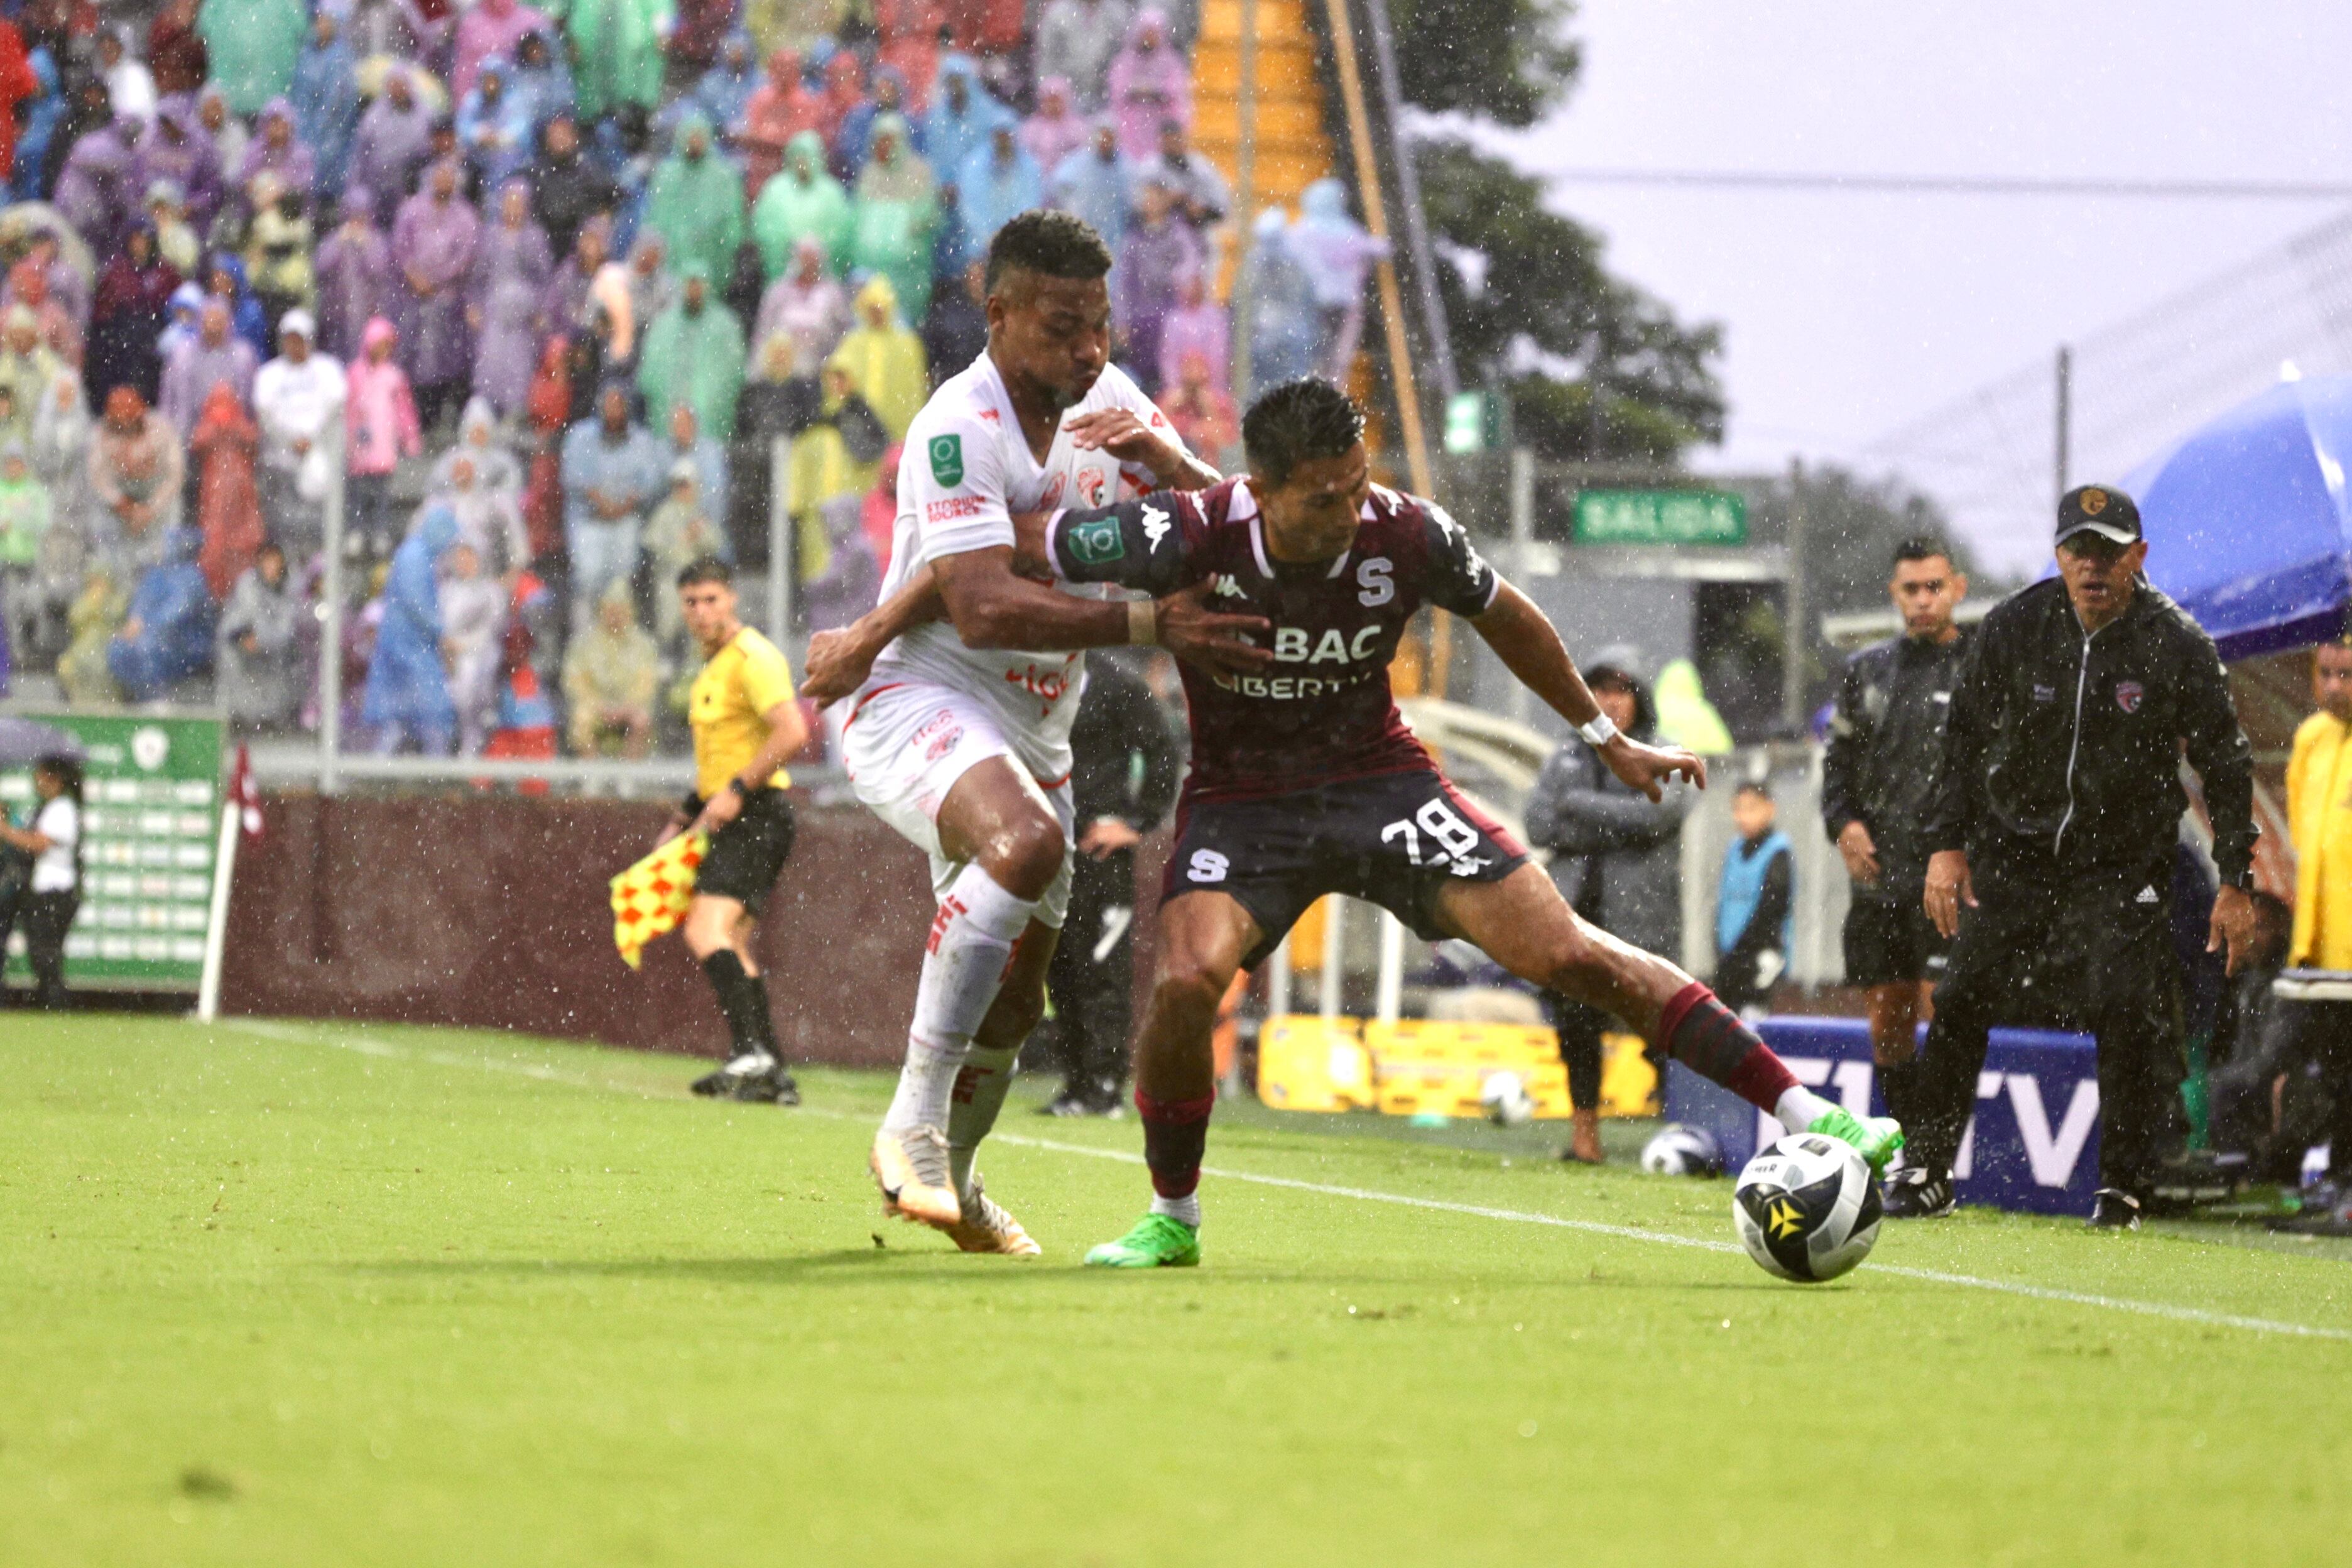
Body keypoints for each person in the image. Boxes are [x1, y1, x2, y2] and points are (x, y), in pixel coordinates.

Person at [819, 373, 1904, 1266]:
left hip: (1383, 788)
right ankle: (1173, 1218)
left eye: (1355, 485)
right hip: (1243, 808)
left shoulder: (1405, 531)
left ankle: (1809, 1114)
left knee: (1567, 952)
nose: (1349, 512)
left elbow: (1508, 617)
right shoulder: (1181, 531)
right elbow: (996, 550)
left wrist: (1599, 735)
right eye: (1322, 498)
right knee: (1186, 982)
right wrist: (873, 627)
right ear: (1262, 488)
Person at [797, 210, 1243, 1255]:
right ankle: (907, 1124)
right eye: (1059, 327)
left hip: (1040, 729)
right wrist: (1142, 620)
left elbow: (1225, 533)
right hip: (919, 702)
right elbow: (982, 603)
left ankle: (953, 1184)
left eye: (1097, 328)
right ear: (997, 316)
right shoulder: (958, 425)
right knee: (1028, 845)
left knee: (1018, 992)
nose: (1086, 351)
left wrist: (1169, 460)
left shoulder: (1112, 406)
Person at [1907, 484, 2259, 1229]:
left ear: (2139, 556)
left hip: (2120, 863)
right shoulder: (2015, 627)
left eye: (2108, 551)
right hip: (2016, 850)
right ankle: (1928, 1169)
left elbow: (2227, 763)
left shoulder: (2178, 644)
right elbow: (1962, 740)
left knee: (2126, 1008)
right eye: (2079, 550)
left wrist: (2236, 879)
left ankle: (2123, 1190)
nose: (2092, 566)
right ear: (2059, 554)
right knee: (1963, 995)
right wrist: (1945, 845)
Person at [1820, 538, 1975, 1129]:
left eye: (1934, 587)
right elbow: (1836, 766)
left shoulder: (1981, 665)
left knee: (1946, 1010)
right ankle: (1909, 1142)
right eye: (1911, 589)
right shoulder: (1866, 671)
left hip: (1950, 874)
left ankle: (1940, 1151)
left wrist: (1964, 848)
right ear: (1895, 594)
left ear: (1956, 589)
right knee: (1887, 1018)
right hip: (1881, 877)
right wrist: (1844, 824)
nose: (1923, 601)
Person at [1525, 651, 1692, 1163]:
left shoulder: (1664, 753)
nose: (1609, 701)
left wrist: (1577, 806)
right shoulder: (1567, 756)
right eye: (1599, 690)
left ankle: (1686, 1136)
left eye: (1620, 690)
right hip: (1575, 920)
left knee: (1661, 1031)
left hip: (1641, 925)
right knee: (1576, 1030)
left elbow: (1655, 819)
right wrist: (1616, 821)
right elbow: (1536, 825)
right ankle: (1585, 1141)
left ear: (1639, 697)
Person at [662, 556, 809, 1104]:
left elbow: (792, 732)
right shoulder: (714, 664)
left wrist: (739, 791)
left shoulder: (753, 657)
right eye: (691, 602)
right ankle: (769, 1067)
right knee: (734, 940)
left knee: (705, 930)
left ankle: (752, 1053)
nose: (701, 612)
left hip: (758, 813)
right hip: (739, 812)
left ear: (733, 599)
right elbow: (723, 758)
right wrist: (683, 816)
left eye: (711, 600)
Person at [1037, 648, 1180, 1115]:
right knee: (1057, 967)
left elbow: (1162, 748)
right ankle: (1076, 1083)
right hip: (1046, 846)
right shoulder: (1029, 678)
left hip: (1099, 854)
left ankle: (1104, 1085)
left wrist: (1137, 822)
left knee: (1101, 965)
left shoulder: (1116, 685)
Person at [2260, 633, 2352, 1229]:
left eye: (2347, 674)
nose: (2335, 687)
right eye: (2326, 673)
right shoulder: (2311, 739)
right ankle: (2337, 1183)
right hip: (2318, 949)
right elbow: (2304, 840)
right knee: (2333, 1070)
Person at [362, 503, 460, 754]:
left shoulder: (418, 555)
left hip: (406, 647)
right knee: (431, 713)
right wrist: (441, 632)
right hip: (408, 649)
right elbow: (417, 604)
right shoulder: (415, 557)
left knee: (399, 720)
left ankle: (381, 769)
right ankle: (437, 773)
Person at [392, 160, 482, 432]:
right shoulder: (411, 209)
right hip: (411, 295)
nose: (444, 182)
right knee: (409, 355)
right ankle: (411, 419)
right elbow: (400, 245)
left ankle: (437, 417)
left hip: (448, 299)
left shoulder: (466, 216)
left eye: (449, 177)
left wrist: (435, 280)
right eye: (439, 176)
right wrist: (414, 276)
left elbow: (465, 257)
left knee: (444, 360)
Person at [562, 378, 663, 610]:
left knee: (622, 583)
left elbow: (652, 482)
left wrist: (623, 506)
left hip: (626, 519)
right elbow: (574, 476)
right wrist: (602, 503)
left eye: (619, 404)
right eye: (610, 403)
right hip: (590, 520)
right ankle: (585, 640)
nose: (614, 410)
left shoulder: (642, 441)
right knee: (587, 581)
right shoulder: (581, 436)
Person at [251, 310, 345, 558]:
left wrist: (310, 438)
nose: (295, 345)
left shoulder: (328, 370)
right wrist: (292, 439)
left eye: (300, 339)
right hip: (281, 463)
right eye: (290, 339)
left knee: (319, 524)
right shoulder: (269, 375)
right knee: (283, 525)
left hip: (319, 461)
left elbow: (334, 406)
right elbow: (267, 414)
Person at [0, 753, 82, 1007]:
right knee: (42, 956)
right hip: (44, 891)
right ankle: (51, 1003)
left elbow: (37, 843)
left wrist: (4, 831)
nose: (36, 779)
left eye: (41, 773)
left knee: (46, 956)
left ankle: (56, 1005)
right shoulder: (47, 807)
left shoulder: (63, 808)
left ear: (54, 778)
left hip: (56, 893)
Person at [467, 181, 554, 416]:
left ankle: (515, 416)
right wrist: (473, 305)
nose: (513, 209)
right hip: (494, 311)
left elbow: (545, 279)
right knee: (491, 363)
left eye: (518, 204)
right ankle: (486, 415)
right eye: (509, 203)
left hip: (523, 318)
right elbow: (477, 277)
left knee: (519, 367)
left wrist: (541, 311)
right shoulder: (490, 235)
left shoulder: (535, 237)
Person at [636, 262, 748, 443]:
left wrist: (708, 401)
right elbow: (651, 373)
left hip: (710, 421)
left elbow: (733, 373)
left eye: (699, 284)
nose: (694, 290)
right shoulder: (664, 324)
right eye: (690, 284)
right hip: (668, 417)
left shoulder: (725, 325)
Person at [642, 113, 746, 293]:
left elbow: (732, 219)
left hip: (712, 253)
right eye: (691, 136)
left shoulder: (724, 176)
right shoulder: (666, 174)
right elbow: (655, 217)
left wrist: (727, 243)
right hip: (673, 254)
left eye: (699, 136)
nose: (694, 142)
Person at [1714, 781, 1792, 1018]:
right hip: (1730, 959)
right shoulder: (1734, 849)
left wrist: (1744, 949)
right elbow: (1723, 903)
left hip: (1760, 959)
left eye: (1751, 808)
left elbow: (1772, 908)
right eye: (1738, 809)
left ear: (1770, 808)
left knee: (1753, 1024)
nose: (1743, 816)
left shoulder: (1778, 850)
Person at [344, 320, 421, 558]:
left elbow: (404, 409)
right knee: (357, 492)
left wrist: (410, 437)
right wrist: (348, 436)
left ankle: (380, 532)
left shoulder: (394, 376)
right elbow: (347, 406)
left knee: (381, 493)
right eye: (380, 344)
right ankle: (356, 532)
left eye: (388, 346)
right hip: (359, 441)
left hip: (384, 443)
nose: (384, 350)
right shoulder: (355, 373)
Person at [108, 525, 213, 698]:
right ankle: (140, 697)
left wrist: (148, 626)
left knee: (153, 649)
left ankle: (157, 699)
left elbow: (178, 612)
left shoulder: (191, 576)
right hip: (151, 637)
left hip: (185, 642)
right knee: (118, 649)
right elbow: (141, 603)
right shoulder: (156, 574)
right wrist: (135, 622)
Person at [89, 386, 184, 571]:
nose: (124, 424)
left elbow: (175, 475)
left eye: (129, 417)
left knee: (174, 508)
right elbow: (97, 476)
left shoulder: (162, 429)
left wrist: (151, 508)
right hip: (120, 493)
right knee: (96, 510)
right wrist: (120, 502)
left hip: (155, 490)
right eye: (118, 419)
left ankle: (162, 566)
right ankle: (109, 570)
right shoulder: (99, 434)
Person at [565, 579, 660, 755]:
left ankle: (629, 775)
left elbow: (647, 684)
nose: (615, 616)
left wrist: (625, 708)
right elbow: (576, 682)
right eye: (610, 610)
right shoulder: (584, 644)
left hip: (631, 707)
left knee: (642, 720)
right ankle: (592, 774)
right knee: (581, 719)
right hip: (596, 707)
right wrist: (599, 706)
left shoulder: (644, 645)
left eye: (621, 610)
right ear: (600, 612)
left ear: (631, 612)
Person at [87, 226, 179, 409]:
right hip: (123, 340)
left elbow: (177, 307)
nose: (139, 245)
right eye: (135, 240)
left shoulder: (165, 272)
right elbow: (102, 314)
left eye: (144, 240)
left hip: (156, 336)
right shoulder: (116, 273)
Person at [189, 382, 263, 600]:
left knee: (243, 544)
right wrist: (216, 425)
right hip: (215, 497)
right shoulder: (206, 427)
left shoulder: (241, 425)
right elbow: (197, 442)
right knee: (215, 544)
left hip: (242, 495)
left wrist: (233, 425)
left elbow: (253, 440)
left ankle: (241, 592)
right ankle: (215, 594)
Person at [829, 274, 926, 440]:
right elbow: (837, 378)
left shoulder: (908, 344)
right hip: (860, 434)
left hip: (898, 430)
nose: (877, 314)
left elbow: (915, 389)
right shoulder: (853, 342)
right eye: (872, 308)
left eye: (881, 308)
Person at [217, 541, 303, 729]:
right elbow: (232, 623)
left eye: (275, 562)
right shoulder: (247, 586)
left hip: (274, 675)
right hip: (243, 675)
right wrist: (241, 637)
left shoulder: (289, 591)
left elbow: (287, 631)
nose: (271, 567)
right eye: (267, 561)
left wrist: (263, 641)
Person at [751, 129, 851, 278]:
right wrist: (787, 247)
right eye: (798, 156)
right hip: (781, 272)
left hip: (822, 277)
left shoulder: (831, 192)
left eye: (807, 157)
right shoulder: (775, 188)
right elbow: (764, 226)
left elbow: (842, 231)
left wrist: (814, 253)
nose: (802, 162)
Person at [159, 299, 258, 441]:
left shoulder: (243, 355)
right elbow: (168, 397)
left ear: (228, 323)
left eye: (219, 321)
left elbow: (250, 400)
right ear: (200, 322)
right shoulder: (182, 354)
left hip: (231, 434)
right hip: (188, 429)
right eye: (209, 320)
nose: (213, 327)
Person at [1106, 8, 1188, 161]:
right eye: (1146, 32)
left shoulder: (1172, 61)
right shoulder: (1125, 60)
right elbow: (1117, 89)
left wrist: (1153, 90)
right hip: (1130, 126)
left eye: (1153, 33)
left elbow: (1176, 90)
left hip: (1160, 123)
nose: (1149, 38)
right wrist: (1137, 90)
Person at [199, 0, 306, 117]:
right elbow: (199, 38)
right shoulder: (217, 4)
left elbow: (307, 38)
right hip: (227, 109)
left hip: (274, 110)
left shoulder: (287, 4)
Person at [1034, 0, 1131, 111]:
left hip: (1104, 95)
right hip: (1067, 96)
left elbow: (1125, 56)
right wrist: (1048, 92)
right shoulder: (1058, 13)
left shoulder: (1117, 13)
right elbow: (1047, 58)